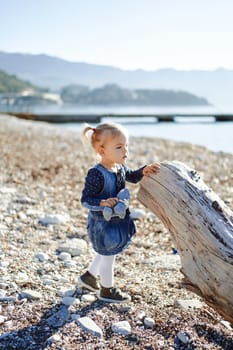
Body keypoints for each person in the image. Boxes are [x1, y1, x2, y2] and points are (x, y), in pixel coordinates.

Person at [79, 122, 160, 303]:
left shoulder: (119, 167)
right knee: (108, 257)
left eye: (126, 146)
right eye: (119, 147)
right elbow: (86, 199)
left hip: (117, 221)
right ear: (102, 150)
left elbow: (130, 176)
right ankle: (107, 290)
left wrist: (143, 171)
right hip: (102, 224)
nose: (125, 151)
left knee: (108, 251)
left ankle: (89, 277)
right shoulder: (96, 173)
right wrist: (102, 202)